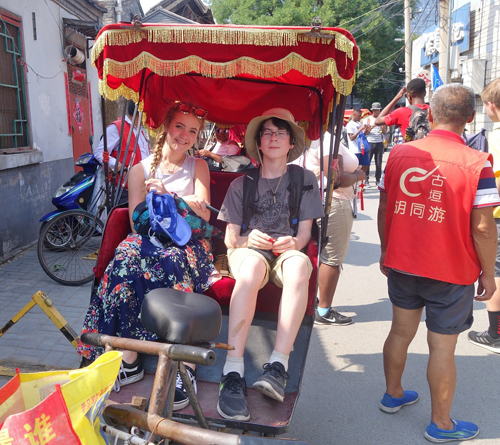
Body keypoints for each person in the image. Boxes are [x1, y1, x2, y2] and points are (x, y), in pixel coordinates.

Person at [78, 102, 220, 411]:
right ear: (167, 126)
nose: (184, 135)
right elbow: (135, 222)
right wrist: (165, 201)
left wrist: (169, 198)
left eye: (192, 131)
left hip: (187, 241)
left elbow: (204, 209)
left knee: (171, 262)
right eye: (179, 126)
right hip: (147, 238)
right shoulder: (139, 171)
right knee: (123, 261)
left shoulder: (199, 166)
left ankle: (186, 368)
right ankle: (128, 359)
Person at [377, 84, 500, 442]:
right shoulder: (478, 163)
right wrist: (489, 274)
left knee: (399, 331)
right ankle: (441, 424)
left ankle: (393, 394)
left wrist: (386, 251)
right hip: (451, 270)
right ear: (471, 118)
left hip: (402, 262)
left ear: (429, 114)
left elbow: (385, 207)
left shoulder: (399, 153)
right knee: (442, 347)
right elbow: (483, 227)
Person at [216, 108, 323, 421]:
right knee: (251, 271)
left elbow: (304, 234)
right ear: (259, 143)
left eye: (281, 133)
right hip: (249, 251)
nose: (274, 137)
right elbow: (231, 239)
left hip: (285, 251)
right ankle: (232, 369)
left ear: (291, 143)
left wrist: (294, 244)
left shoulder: (305, 180)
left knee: (301, 267)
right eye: (267, 133)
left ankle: (278, 366)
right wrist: (252, 239)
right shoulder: (242, 184)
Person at [292, 131, 365, 325]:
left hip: (317, 201)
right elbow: (337, 179)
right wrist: (359, 174)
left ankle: (316, 302)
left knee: (322, 255)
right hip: (334, 202)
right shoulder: (324, 139)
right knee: (332, 258)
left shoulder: (311, 138)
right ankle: (323, 310)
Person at [468, 78, 500, 353]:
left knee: (497, 271)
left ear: (491, 106)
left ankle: (495, 333)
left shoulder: (497, 137)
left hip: (497, 213)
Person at [94, 100, 150, 188]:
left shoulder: (140, 130)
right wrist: (116, 164)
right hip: (124, 186)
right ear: (140, 114)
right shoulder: (117, 128)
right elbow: (100, 153)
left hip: (143, 184)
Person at [363, 102, 387, 186]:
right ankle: (366, 179)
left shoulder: (382, 119)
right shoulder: (368, 119)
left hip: (379, 143)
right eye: (375, 110)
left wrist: (382, 128)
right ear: (372, 110)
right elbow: (365, 133)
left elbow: (385, 133)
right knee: (367, 162)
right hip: (370, 142)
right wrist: (372, 126)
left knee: (378, 163)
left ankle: (377, 180)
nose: (377, 112)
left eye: (378, 110)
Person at [345, 109, 370, 177]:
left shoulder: (358, 123)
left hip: (362, 148)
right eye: (359, 116)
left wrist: (367, 130)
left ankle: (358, 177)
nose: (360, 117)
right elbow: (351, 138)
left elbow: (362, 135)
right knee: (355, 167)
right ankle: (355, 179)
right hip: (355, 150)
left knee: (367, 164)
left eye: (360, 116)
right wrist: (360, 129)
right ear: (354, 115)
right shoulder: (350, 125)